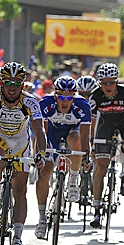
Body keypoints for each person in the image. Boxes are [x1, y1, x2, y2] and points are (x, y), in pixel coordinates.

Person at [35, 75, 91, 239]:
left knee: (75, 139)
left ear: (74, 97)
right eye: (61, 96)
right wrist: (41, 154)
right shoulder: (45, 104)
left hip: (72, 132)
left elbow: (86, 135)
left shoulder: (82, 105)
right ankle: (42, 218)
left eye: (69, 97)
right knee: (45, 173)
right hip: (51, 135)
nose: (65, 101)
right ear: (55, 96)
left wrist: (86, 156)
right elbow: (41, 132)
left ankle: (73, 181)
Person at [0, 62, 46, 245]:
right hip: (1, 141)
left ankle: (17, 236)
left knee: (20, 191)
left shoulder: (30, 102)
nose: (12, 88)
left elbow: (39, 129)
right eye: (8, 83)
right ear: (1, 83)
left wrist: (40, 153)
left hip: (21, 145)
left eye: (17, 84)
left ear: (22, 84)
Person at [89, 63, 124, 228]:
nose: (107, 86)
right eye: (104, 83)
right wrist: (92, 145)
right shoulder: (95, 96)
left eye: (111, 82)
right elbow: (92, 123)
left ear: (117, 81)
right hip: (105, 126)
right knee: (100, 168)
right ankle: (96, 208)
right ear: (99, 83)